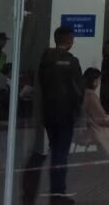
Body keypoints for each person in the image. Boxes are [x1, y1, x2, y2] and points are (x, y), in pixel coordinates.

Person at [39, 25, 83, 205]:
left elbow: (41, 83)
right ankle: (58, 194)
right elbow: (78, 89)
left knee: (55, 150)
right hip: (66, 113)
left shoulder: (45, 59)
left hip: (49, 112)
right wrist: (78, 111)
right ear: (70, 40)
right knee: (61, 153)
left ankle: (55, 192)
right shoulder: (71, 61)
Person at [80, 68, 109, 169]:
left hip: (86, 127)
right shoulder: (91, 96)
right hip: (93, 129)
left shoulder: (83, 93)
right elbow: (102, 118)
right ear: (93, 81)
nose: (99, 83)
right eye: (98, 80)